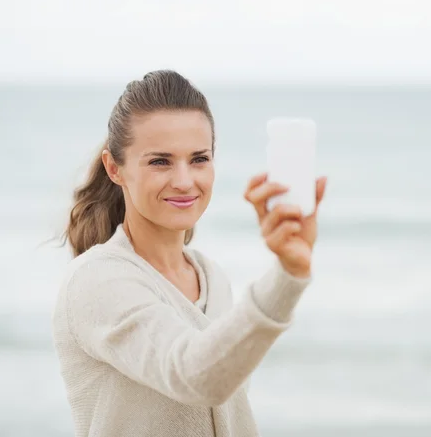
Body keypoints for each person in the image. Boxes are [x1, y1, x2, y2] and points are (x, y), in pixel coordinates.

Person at [52, 69, 327, 437]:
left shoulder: (214, 280)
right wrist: (287, 277)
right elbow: (197, 375)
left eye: (199, 158)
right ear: (114, 168)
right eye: (160, 161)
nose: (184, 180)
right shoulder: (95, 280)